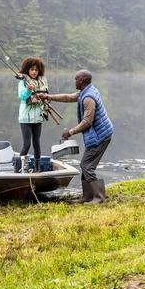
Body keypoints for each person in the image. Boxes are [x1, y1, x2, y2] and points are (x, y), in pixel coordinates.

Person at [45, 70, 113, 203]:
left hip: (101, 136)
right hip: (99, 134)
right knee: (86, 165)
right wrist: (48, 97)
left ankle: (98, 198)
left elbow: (87, 122)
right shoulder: (86, 91)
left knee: (87, 166)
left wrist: (70, 132)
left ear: (82, 80)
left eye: (76, 79)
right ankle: (88, 197)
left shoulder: (88, 98)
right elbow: (69, 97)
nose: (74, 81)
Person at [17, 57, 48, 172]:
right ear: (27, 70)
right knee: (27, 144)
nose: (34, 72)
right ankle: (19, 167)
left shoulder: (42, 81)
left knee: (37, 143)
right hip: (25, 118)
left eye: (36, 70)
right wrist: (29, 90)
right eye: (31, 69)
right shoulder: (23, 81)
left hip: (38, 118)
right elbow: (22, 96)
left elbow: (45, 96)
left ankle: (37, 168)